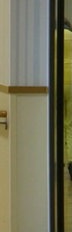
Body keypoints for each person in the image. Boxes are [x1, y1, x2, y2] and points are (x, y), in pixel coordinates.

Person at [65, 19, 72, 180]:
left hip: (53, 84)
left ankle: (56, 160)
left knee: (54, 124)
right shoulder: (71, 36)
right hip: (71, 83)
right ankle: (71, 161)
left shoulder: (48, 37)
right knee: (70, 124)